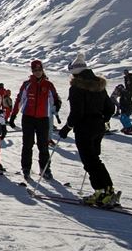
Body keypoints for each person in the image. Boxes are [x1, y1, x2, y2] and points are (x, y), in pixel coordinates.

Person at [59, 53, 119, 206]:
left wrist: (67, 128)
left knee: (89, 160)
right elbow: (110, 107)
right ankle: (106, 190)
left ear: (76, 73)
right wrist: (103, 119)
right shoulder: (99, 85)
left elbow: (77, 112)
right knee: (94, 159)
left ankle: (102, 191)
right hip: (98, 126)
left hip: (84, 128)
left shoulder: (77, 88)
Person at [9, 60, 62, 180]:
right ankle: (26, 168)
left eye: (39, 70)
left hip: (43, 118)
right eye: (35, 70)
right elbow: (19, 99)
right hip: (28, 117)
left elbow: (55, 98)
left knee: (43, 145)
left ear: (42, 70)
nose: (37, 72)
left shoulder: (48, 85)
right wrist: (13, 116)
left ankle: (45, 169)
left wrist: (57, 105)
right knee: (27, 144)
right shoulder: (27, 84)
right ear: (32, 71)